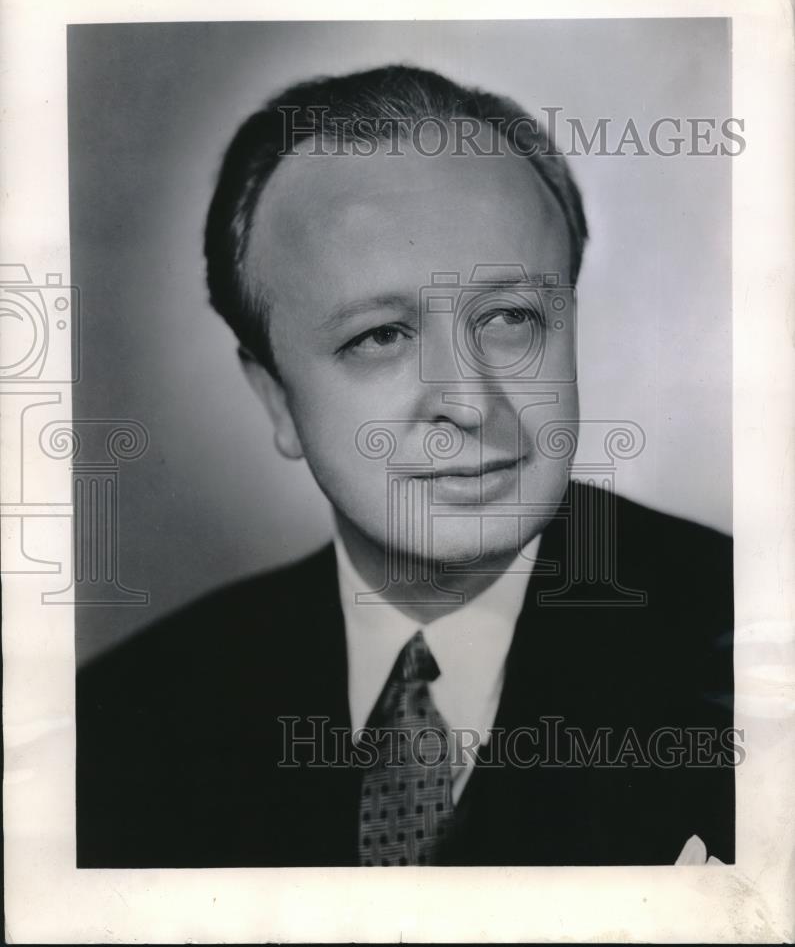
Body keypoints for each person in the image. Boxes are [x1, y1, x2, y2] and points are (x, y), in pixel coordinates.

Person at [77, 64, 734, 868]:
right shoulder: (117, 727)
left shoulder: (756, 647)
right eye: (379, 336)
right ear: (277, 399)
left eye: (510, 318)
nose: (469, 403)